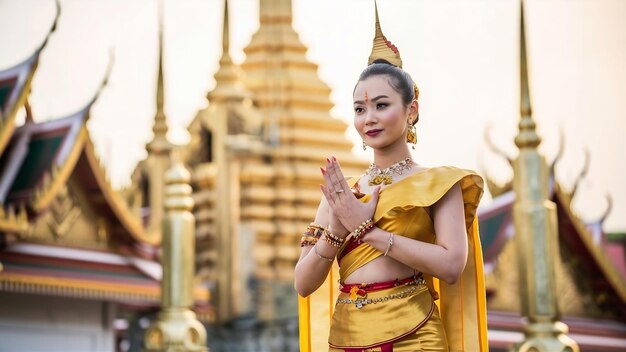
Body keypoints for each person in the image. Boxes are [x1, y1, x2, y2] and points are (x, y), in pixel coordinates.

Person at [294, 4, 488, 352]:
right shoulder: (342, 192)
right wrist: (339, 230)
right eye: (359, 109)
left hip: (415, 336)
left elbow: (451, 266)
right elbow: (303, 283)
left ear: (411, 110)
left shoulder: (439, 184)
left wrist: (368, 231)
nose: (369, 117)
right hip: (346, 338)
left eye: (381, 105)